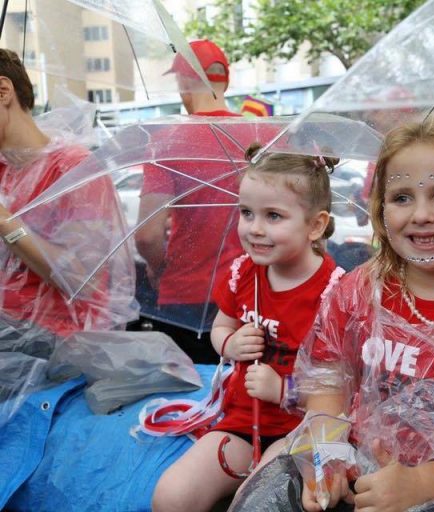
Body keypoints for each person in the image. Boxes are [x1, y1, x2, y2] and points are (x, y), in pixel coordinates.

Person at [292, 116, 434, 511]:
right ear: (381, 207)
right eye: (402, 197)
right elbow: (325, 379)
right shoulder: (357, 292)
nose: (421, 214)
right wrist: (326, 454)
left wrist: (426, 481)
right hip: (360, 474)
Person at [151, 145, 341, 511]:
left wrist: (283, 389)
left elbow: (342, 385)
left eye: (273, 216)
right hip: (242, 421)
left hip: (300, 431)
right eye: (246, 213)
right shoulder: (243, 274)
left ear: (315, 224)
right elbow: (219, 330)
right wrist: (231, 343)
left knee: (255, 503)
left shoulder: (335, 292)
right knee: (171, 496)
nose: (255, 228)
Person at [0, 48, 131, 350]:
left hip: (52, 345)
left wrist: (6, 221)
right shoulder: (4, 171)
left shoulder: (74, 169)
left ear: (3, 91)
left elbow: (84, 277)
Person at [135, 39, 243, 363]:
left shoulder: (168, 142)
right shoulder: (265, 135)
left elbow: (147, 235)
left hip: (185, 297)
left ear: (183, 82)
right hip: (251, 292)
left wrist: (157, 267)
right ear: (226, 80)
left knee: (190, 400)